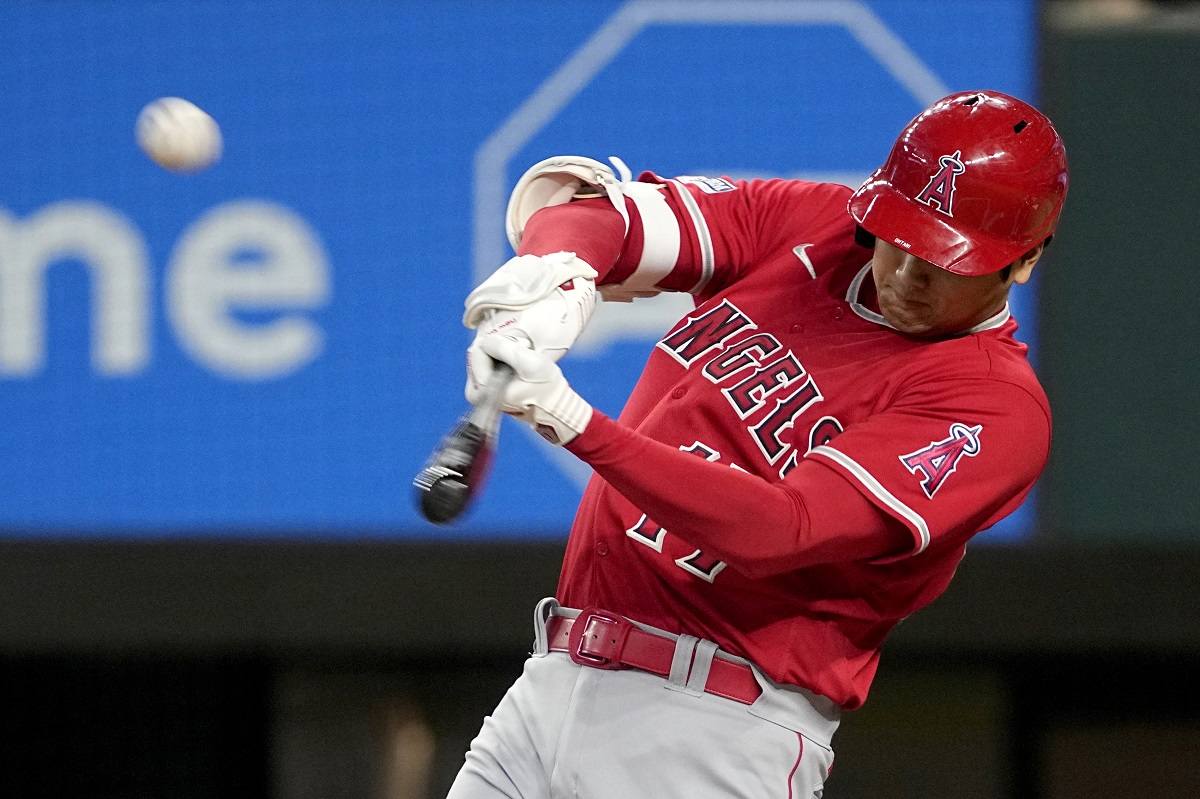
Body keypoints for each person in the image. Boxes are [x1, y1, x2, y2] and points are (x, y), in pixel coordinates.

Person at [447, 90, 1068, 798]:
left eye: (944, 259)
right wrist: (548, 284)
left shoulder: (994, 406)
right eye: (899, 235)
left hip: (714, 727)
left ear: (1024, 261)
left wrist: (572, 419)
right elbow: (602, 218)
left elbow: (783, 527)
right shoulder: (817, 226)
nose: (907, 272)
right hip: (552, 679)